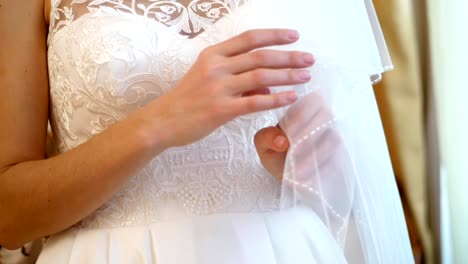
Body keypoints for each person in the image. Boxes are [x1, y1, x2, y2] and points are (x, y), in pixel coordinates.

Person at [0, 0, 414, 263]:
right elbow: (8, 213)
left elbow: (353, 190)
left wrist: (317, 165)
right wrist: (159, 122)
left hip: (286, 250)